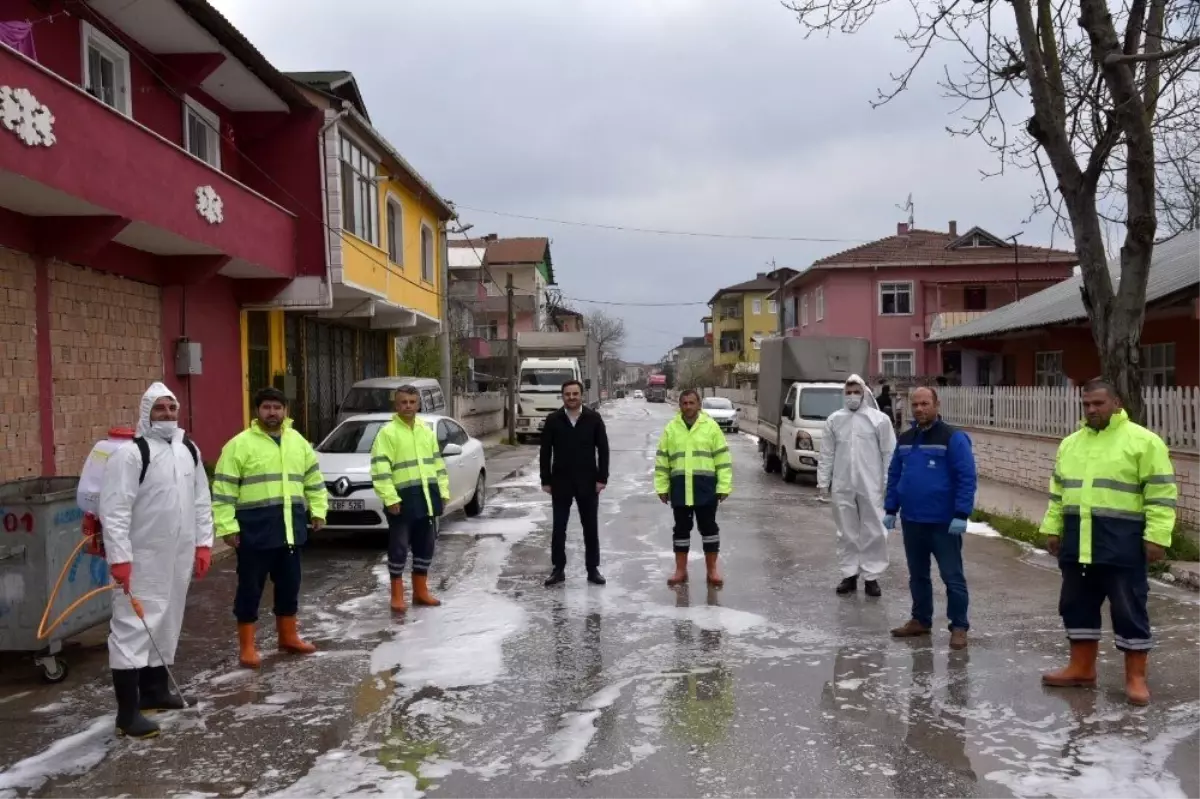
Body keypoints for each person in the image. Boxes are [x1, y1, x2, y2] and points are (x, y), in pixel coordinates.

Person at [1039, 379, 1176, 706]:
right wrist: (1052, 528)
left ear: (1116, 403)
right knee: (1075, 606)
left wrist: (1157, 537)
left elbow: (1160, 494)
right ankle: (1081, 668)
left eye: (1098, 403)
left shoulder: (1144, 442)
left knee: (1129, 610)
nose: (1091, 410)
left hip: (1122, 544)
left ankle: (1135, 678)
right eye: (1086, 404)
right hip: (1077, 543)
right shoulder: (1071, 444)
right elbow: (1058, 493)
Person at [99, 382, 213, 739]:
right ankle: (127, 715)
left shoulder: (187, 450)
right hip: (141, 557)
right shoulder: (131, 454)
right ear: (146, 413)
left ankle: (156, 692)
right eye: (160, 408)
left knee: (167, 621)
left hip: (176, 556)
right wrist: (120, 558)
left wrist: (203, 544)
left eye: (172, 408)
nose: (167, 414)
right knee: (133, 627)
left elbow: (201, 500)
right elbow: (114, 509)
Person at [211, 387, 327, 670]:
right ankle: (247, 647)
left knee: (290, 585)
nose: (272, 412)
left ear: (285, 410)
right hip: (254, 532)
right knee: (250, 589)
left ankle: (288, 637)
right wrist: (227, 527)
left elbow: (313, 480)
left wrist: (319, 510)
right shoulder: (239, 445)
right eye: (266, 407)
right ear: (257, 411)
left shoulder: (298, 442)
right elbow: (224, 491)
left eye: (277, 407)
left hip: (290, 529)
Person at [884, 386, 977, 649]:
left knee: (952, 576)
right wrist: (891, 508)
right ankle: (920, 620)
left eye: (925, 403)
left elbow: (966, 477)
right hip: (913, 521)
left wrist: (961, 513)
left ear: (937, 405)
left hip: (944, 523)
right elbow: (895, 475)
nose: (919, 409)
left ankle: (959, 626)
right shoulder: (905, 439)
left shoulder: (953, 438)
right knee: (918, 575)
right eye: (915, 405)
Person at [371, 385, 451, 610]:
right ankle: (397, 595)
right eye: (403, 402)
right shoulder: (387, 433)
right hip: (402, 500)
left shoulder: (426, 431)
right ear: (396, 405)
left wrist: (443, 492)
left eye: (412, 402)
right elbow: (380, 469)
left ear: (418, 404)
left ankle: (421, 591)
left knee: (426, 546)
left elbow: (438, 464)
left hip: (427, 497)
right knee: (398, 548)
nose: (408, 406)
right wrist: (390, 498)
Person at [818, 374, 897, 597]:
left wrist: (887, 482)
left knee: (874, 529)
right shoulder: (834, 420)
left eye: (856, 392)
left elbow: (889, 453)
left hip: (871, 484)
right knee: (846, 530)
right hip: (843, 484)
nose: (852, 396)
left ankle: (872, 576)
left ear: (865, 393)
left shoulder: (879, 420)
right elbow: (827, 453)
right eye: (848, 392)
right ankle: (849, 574)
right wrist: (823, 482)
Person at [655, 389, 733, 587]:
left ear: (699, 405)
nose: (688, 407)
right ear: (680, 405)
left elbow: (723, 459)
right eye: (684, 403)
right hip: (680, 489)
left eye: (692, 403)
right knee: (681, 530)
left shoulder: (711, 427)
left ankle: (712, 570)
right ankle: (680, 571)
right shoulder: (671, 429)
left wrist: (724, 486)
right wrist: (662, 487)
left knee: (709, 530)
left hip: (705, 489)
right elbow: (663, 460)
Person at [540, 379, 611, 586]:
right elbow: (545, 452)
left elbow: (603, 450)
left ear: (581, 395)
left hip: (588, 483)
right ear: (562, 397)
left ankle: (592, 569)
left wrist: (602, 478)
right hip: (560, 482)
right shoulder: (553, 420)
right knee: (559, 528)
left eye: (575, 394)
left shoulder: (593, 418)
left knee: (590, 527)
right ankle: (558, 569)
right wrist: (546, 480)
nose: (571, 397)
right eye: (567, 394)